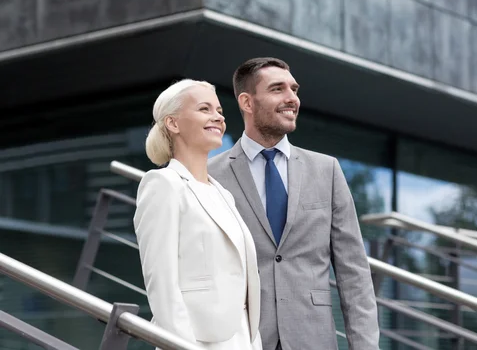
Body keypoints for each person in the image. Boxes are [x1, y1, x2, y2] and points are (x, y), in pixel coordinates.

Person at [208, 58, 380, 350]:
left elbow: (354, 272)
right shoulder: (211, 175)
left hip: (312, 339)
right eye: (278, 89)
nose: (292, 99)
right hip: (241, 340)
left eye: (294, 89)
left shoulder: (327, 171)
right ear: (247, 102)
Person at [133, 79, 262, 350]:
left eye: (219, 111)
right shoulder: (163, 184)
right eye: (204, 109)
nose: (217, 116)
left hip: (241, 340)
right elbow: (162, 285)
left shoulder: (223, 195)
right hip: (198, 342)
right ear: (173, 123)